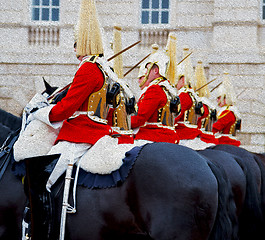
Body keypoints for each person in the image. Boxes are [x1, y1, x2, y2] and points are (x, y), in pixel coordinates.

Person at [131, 50, 179, 144]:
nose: (145, 73)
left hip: (154, 136)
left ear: (155, 70)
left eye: (147, 69)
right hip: (168, 136)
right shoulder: (167, 89)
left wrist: (122, 122)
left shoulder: (155, 89)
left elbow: (140, 119)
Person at [212, 72, 241, 146]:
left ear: (225, 98)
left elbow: (216, 127)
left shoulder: (227, 113)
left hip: (224, 142)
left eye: (219, 98)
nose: (217, 100)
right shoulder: (231, 111)